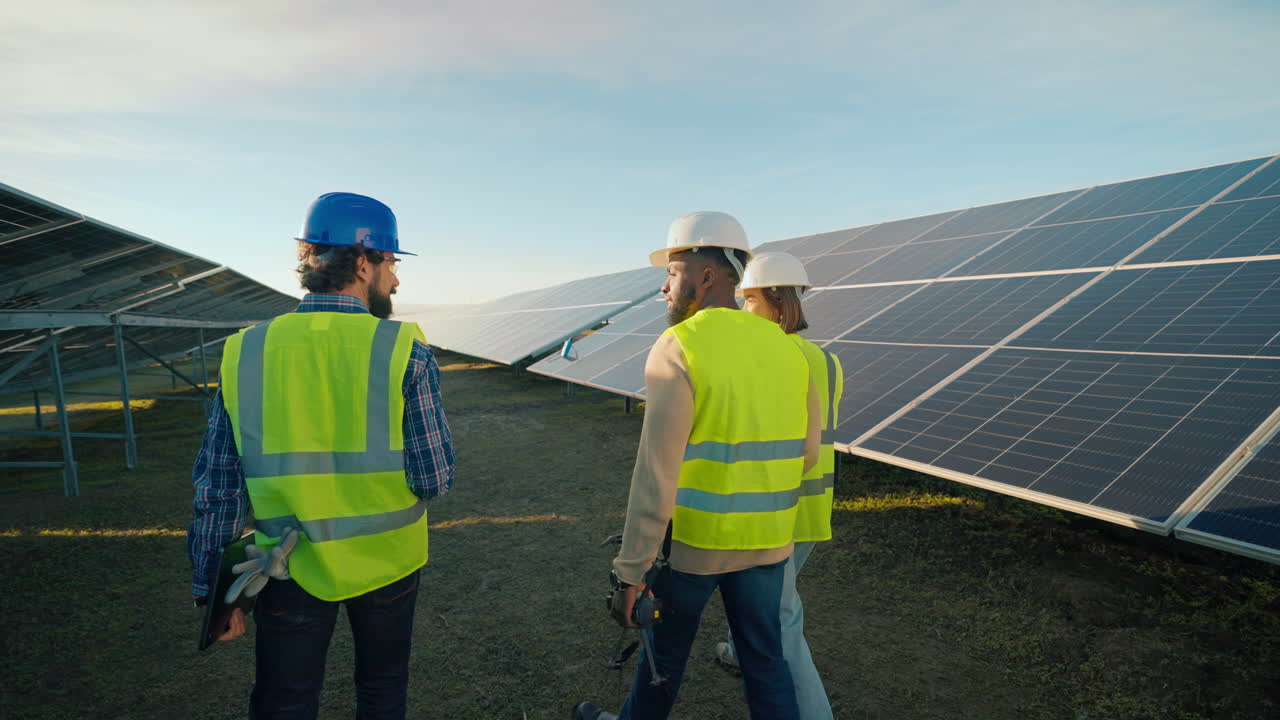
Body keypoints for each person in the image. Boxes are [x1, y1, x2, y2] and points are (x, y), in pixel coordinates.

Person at [186, 192, 456, 720]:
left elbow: (219, 485)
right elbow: (433, 478)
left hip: (286, 567)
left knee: (285, 700)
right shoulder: (405, 349)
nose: (397, 281)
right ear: (362, 262)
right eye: (392, 264)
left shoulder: (247, 350)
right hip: (388, 564)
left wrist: (215, 592)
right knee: (381, 688)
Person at [574, 212, 822, 720]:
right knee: (766, 664)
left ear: (706, 276)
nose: (665, 289)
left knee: (663, 663)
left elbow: (657, 473)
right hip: (770, 543)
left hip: (697, 548)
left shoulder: (680, 345)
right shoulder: (790, 349)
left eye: (671, 272)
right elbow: (808, 453)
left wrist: (630, 572)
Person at [714, 252, 844, 720]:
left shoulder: (773, 356)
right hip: (814, 507)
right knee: (772, 605)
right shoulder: (828, 360)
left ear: (774, 298)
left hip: (776, 511)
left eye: (747, 299)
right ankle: (736, 650)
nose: (741, 309)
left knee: (783, 621)